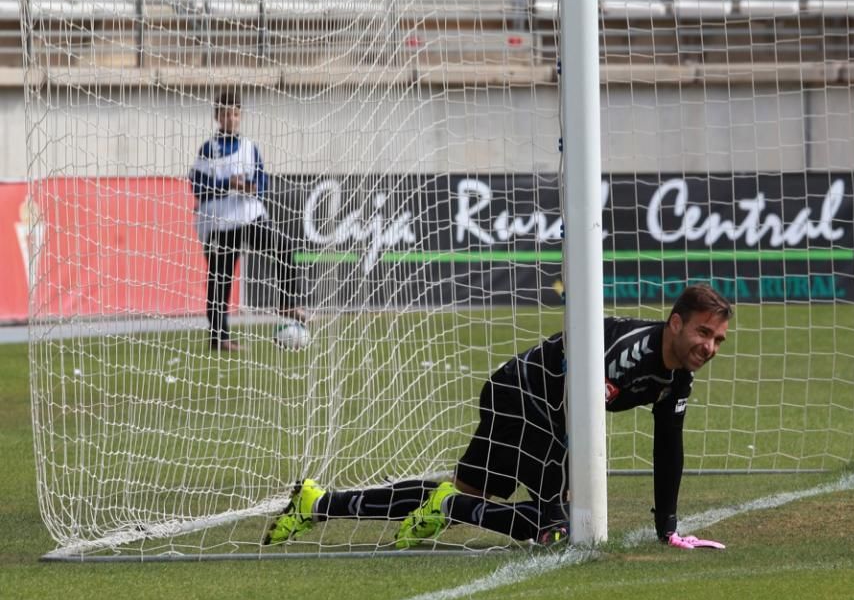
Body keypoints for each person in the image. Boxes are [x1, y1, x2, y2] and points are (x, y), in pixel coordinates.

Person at [264, 284, 732, 548]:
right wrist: (564, 476)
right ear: (675, 323)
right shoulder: (631, 354)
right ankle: (450, 506)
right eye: (702, 333)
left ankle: (317, 504)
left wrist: (668, 529)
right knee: (561, 528)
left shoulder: (676, 376)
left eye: (717, 340)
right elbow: (569, 403)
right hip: (524, 398)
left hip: (531, 403)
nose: (708, 347)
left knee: (473, 488)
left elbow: (668, 445)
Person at [189, 90, 307, 352]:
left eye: (235, 113)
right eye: (226, 114)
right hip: (219, 220)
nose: (231, 118)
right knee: (221, 277)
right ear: (217, 117)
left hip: (248, 214)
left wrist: (254, 188)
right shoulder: (210, 148)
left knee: (283, 246)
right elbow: (197, 184)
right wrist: (226, 183)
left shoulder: (250, 147)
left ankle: (287, 302)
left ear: (240, 116)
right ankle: (219, 337)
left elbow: (262, 179)